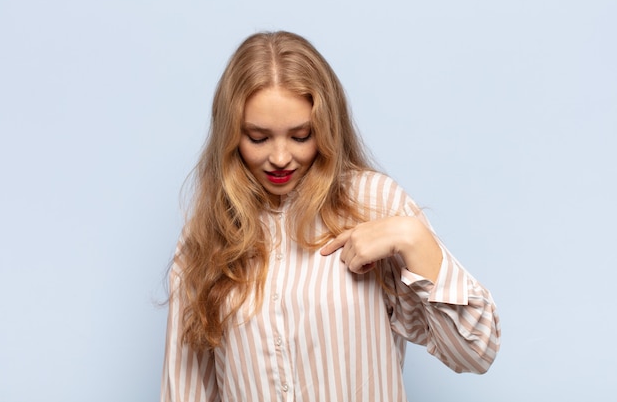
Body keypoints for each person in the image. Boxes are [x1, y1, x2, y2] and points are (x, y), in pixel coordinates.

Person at [160, 30, 500, 402]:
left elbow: (476, 351)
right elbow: (185, 389)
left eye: (301, 136)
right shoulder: (207, 235)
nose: (279, 157)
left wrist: (413, 236)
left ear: (325, 128)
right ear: (230, 135)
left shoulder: (373, 203)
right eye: (258, 138)